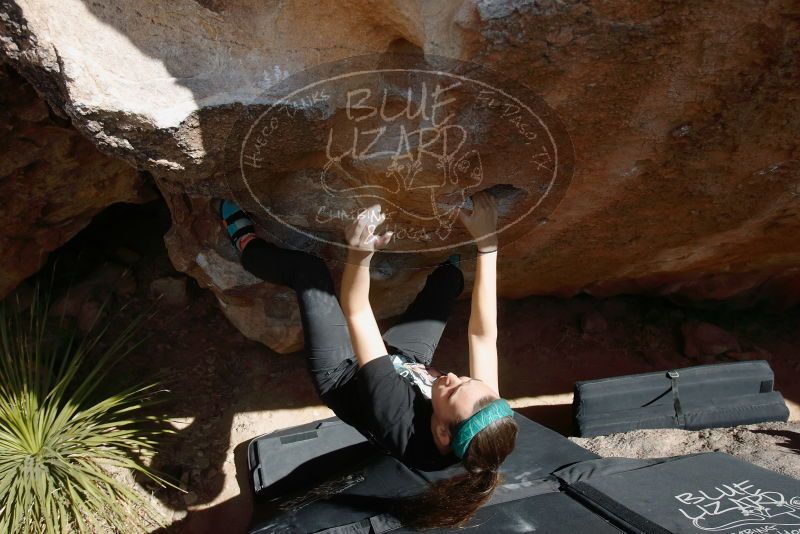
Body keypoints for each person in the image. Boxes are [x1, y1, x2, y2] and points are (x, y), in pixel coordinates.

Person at [213, 191, 518, 529]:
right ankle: (450, 272)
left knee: (310, 272)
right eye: (468, 380)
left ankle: (248, 246)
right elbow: (482, 336)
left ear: (443, 434)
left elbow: (358, 312)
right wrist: (487, 243)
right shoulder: (479, 414)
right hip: (407, 366)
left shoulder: (397, 417)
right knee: (446, 285)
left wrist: (359, 256)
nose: (454, 377)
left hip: (345, 374)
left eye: (451, 390)